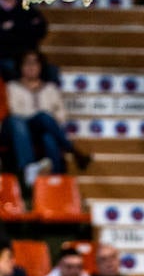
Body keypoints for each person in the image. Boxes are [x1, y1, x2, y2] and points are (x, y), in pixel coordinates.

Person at [4, 49, 91, 185]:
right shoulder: (12, 87)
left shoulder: (50, 88)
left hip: (45, 128)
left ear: (41, 66)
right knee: (40, 117)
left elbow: (61, 113)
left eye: (35, 63)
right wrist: (40, 115)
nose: (31, 67)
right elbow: (16, 111)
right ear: (20, 67)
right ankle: (73, 151)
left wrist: (47, 118)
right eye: (27, 63)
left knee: (48, 137)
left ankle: (53, 182)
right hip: (21, 128)